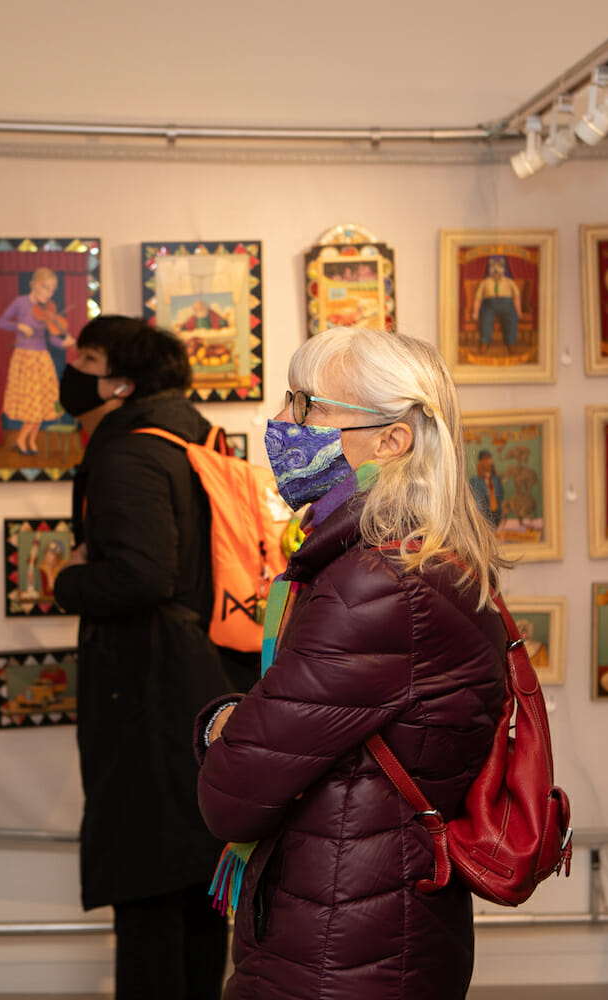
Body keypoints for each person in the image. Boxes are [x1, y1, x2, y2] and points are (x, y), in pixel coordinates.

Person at [196, 326, 510, 1000]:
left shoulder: (375, 583)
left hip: (339, 952)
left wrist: (225, 723)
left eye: (306, 405)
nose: (281, 421)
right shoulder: (408, 563)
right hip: (361, 928)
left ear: (391, 440)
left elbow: (233, 792)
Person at [50, 316, 253, 1000]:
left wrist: (67, 577)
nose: (71, 366)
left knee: (145, 884)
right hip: (205, 673)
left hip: (150, 687)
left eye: (87, 356)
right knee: (195, 877)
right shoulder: (194, 436)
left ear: (121, 381)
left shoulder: (131, 452)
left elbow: (142, 575)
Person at [0, 267, 73, 457]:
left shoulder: (47, 310)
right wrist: (19, 325)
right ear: (37, 285)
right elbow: (1, 322)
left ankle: (30, 440)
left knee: (43, 403)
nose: (50, 293)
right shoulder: (20, 303)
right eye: (47, 288)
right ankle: (21, 439)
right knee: (31, 403)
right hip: (25, 358)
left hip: (42, 357)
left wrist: (65, 343)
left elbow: (51, 337)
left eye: (53, 290)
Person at [472, 254, 521, 351]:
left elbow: (516, 296)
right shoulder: (485, 282)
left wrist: (518, 311)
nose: (496, 271)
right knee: (485, 317)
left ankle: (511, 343)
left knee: (512, 317)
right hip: (489, 305)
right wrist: (476, 312)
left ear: (503, 269)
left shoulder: (509, 282)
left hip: (507, 305)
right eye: (494, 268)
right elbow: (478, 298)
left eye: (499, 268)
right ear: (491, 269)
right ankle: (485, 342)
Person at [468, 448, 504, 527]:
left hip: (496, 516)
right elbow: (477, 501)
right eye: (485, 460)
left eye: (489, 459)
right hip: (482, 519)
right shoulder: (474, 481)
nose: (487, 463)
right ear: (480, 463)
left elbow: (500, 497)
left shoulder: (496, 480)